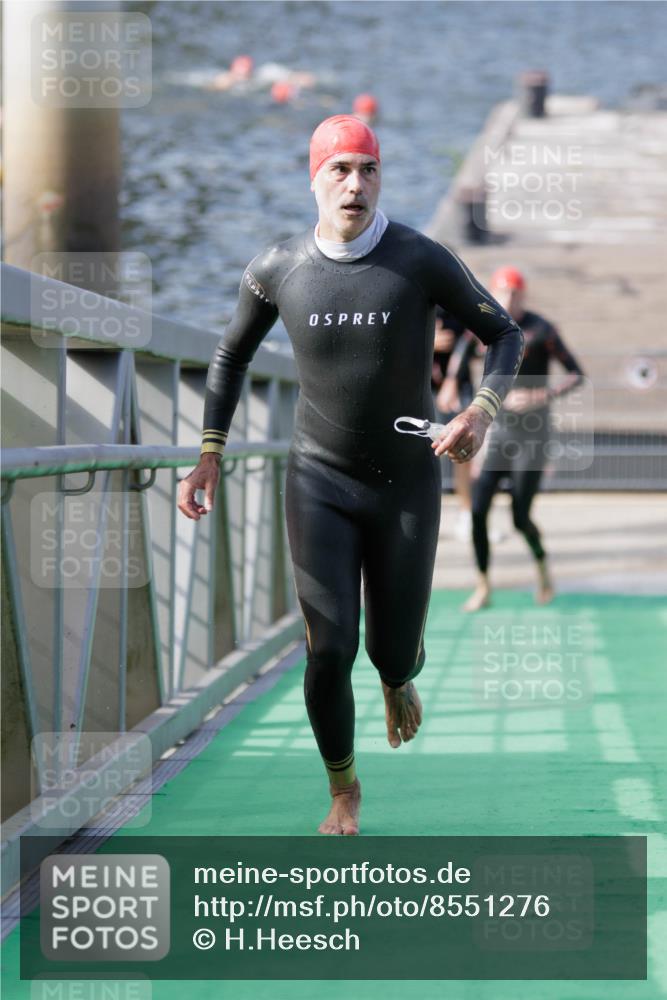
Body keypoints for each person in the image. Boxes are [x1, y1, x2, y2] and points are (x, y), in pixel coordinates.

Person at [177, 116, 524, 835]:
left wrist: (481, 411)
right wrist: (209, 450)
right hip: (318, 479)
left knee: (388, 650)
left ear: (379, 179)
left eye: (367, 169)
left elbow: (504, 333)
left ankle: (398, 676)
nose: (354, 184)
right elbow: (229, 357)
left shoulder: (419, 259)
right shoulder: (277, 267)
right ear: (314, 180)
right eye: (339, 170)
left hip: (404, 481)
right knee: (328, 646)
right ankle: (343, 790)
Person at [462, 266, 585, 612]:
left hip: (533, 435)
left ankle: (543, 566)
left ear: (523, 295)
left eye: (514, 293)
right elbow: (461, 363)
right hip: (498, 432)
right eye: (501, 292)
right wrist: (459, 394)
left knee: (519, 517)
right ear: (493, 293)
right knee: (477, 510)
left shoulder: (541, 329)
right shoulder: (486, 327)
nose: (508, 299)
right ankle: (483, 585)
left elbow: (577, 375)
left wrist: (538, 397)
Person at [431, 306, 475, 536]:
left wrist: (452, 380)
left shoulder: (454, 294)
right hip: (424, 385)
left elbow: (468, 338)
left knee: (462, 449)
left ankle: (466, 514)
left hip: (459, 384)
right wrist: (427, 340)